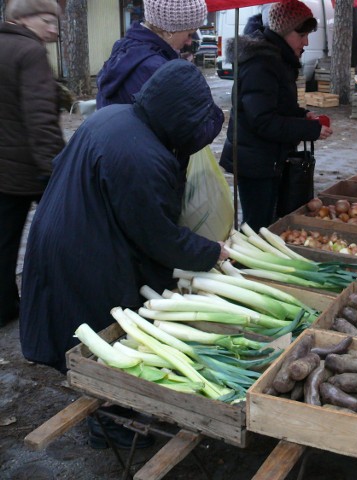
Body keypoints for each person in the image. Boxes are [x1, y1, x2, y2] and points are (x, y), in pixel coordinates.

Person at [20, 60, 226, 374]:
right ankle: (107, 416)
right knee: (97, 348)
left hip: (62, 237)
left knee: (73, 330)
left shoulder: (114, 115)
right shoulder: (143, 156)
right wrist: (210, 252)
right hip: (83, 254)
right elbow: (157, 236)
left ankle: (102, 403)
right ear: (180, 118)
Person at [219, 0, 333, 231]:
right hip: (256, 161)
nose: (306, 42)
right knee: (257, 225)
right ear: (284, 32)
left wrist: (304, 115)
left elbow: (276, 106)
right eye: (302, 35)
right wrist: (309, 130)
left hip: (267, 158)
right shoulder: (262, 63)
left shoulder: (276, 59)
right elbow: (263, 121)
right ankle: (243, 265)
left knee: (266, 223)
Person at [0, 0, 65, 328]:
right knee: (63, 232)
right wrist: (57, 169)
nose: (53, 28)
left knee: (4, 241)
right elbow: (41, 120)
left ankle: (4, 307)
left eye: (55, 21)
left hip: (4, 170)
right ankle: (59, 302)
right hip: (29, 169)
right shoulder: (31, 53)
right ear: (21, 17)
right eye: (46, 19)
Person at [96, 0, 207, 108]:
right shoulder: (156, 70)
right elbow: (187, 121)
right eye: (189, 34)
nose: (190, 42)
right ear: (169, 31)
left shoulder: (125, 47)